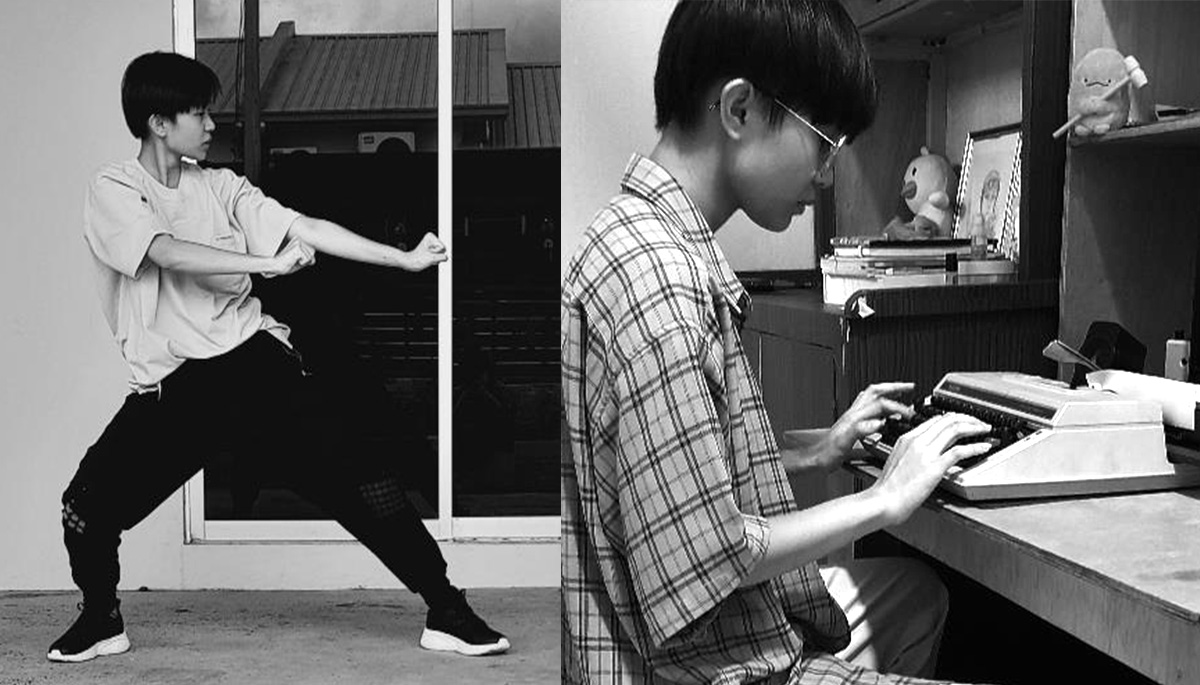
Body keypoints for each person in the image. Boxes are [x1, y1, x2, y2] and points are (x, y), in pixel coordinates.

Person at [560, 1, 995, 683]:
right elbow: (711, 553)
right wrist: (883, 496)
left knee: (916, 592)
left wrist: (820, 447)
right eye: (823, 141)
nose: (825, 173)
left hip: (682, 640)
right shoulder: (659, 281)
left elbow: (684, 476)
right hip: (699, 665)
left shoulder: (640, 240)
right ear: (739, 109)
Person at [49, 51, 509, 662]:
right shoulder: (115, 188)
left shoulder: (221, 185)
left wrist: (402, 259)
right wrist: (263, 264)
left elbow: (306, 225)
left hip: (252, 367)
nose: (212, 125)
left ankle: (448, 608)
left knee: (364, 484)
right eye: (198, 112)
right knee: (84, 509)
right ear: (159, 122)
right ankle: (101, 618)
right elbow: (164, 251)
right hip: (177, 388)